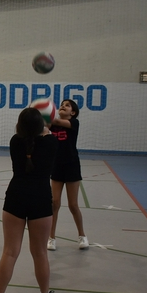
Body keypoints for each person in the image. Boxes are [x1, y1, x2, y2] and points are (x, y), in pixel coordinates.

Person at [0, 108, 58, 293]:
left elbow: (28, 134)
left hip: (16, 196)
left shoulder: (15, 141)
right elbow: (48, 131)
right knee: (40, 253)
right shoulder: (51, 142)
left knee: (10, 252)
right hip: (41, 199)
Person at [48, 99, 89, 251]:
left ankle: (82, 235)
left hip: (72, 165)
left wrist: (46, 114)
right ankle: (51, 238)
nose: (62, 106)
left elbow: (54, 121)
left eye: (67, 105)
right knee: (54, 203)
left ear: (73, 112)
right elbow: (42, 127)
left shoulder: (74, 123)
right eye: (61, 105)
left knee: (73, 205)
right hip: (56, 166)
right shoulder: (52, 124)